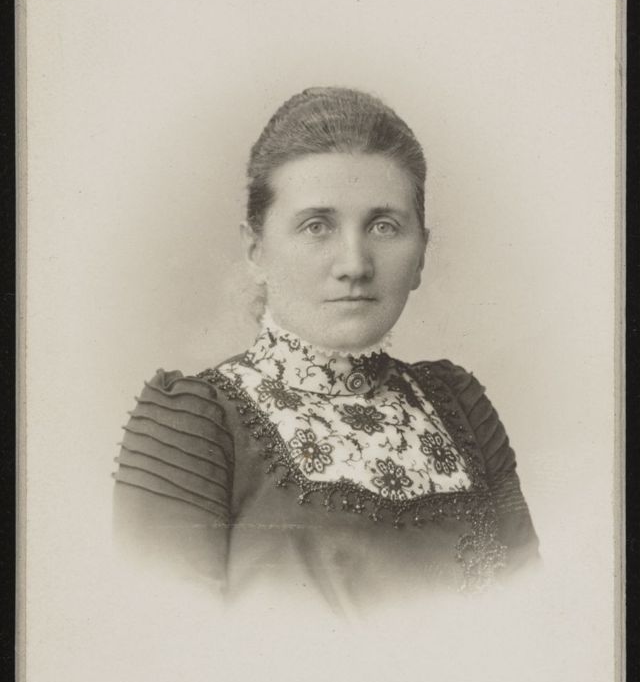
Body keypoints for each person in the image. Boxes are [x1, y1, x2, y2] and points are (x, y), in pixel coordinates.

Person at [113, 86, 539, 613]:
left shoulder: (460, 406)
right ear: (256, 250)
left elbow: (533, 620)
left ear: (422, 254)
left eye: (384, 226)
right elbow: (167, 643)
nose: (354, 264)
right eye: (317, 226)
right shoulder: (191, 425)